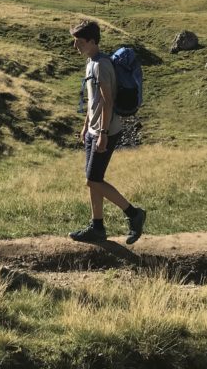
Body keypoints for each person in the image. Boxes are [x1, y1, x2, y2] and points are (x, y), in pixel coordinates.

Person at [67, 19, 146, 244]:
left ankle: (134, 214)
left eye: (79, 41)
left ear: (92, 41)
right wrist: (85, 126)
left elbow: (108, 101)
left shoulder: (102, 65)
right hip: (94, 129)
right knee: (93, 179)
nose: (75, 46)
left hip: (106, 131)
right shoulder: (91, 62)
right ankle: (97, 227)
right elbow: (94, 101)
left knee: (93, 180)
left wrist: (101, 132)